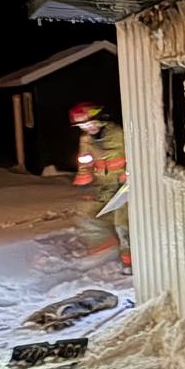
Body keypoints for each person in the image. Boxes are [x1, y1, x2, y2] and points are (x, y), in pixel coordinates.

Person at [69, 101, 131, 273]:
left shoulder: (117, 133)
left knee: (122, 223)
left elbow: (133, 152)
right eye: (82, 125)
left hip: (123, 186)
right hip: (103, 186)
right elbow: (85, 158)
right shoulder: (86, 139)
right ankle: (107, 244)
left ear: (99, 118)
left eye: (89, 123)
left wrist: (129, 172)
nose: (87, 128)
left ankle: (129, 261)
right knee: (92, 214)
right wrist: (84, 174)